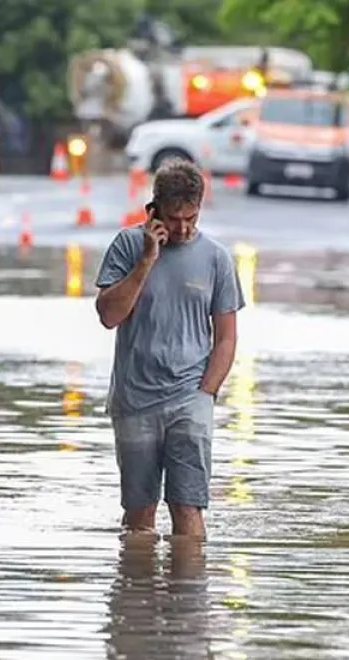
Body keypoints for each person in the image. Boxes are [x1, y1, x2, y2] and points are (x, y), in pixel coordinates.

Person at [94, 159, 245, 540]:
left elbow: (226, 336)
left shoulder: (216, 258)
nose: (181, 228)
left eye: (190, 218)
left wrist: (206, 392)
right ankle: (138, 588)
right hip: (135, 398)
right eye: (173, 218)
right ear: (154, 209)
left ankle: (189, 593)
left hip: (190, 397)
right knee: (139, 512)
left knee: (188, 505)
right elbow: (109, 316)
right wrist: (147, 260)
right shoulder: (128, 246)